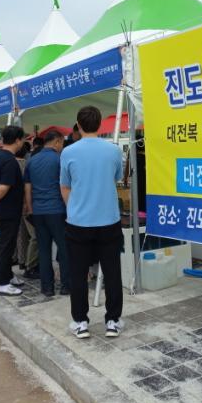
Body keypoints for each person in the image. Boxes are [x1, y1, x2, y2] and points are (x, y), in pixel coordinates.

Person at [60, 106, 124, 339]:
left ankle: (80, 322)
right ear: (100, 124)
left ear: (78, 125)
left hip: (78, 222)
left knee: (78, 274)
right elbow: (116, 179)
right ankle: (113, 321)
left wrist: (75, 208)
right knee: (112, 272)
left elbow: (65, 186)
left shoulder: (68, 152)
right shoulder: (114, 150)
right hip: (109, 221)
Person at [24, 130, 70, 297]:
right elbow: (65, 186)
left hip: (38, 211)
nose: (62, 146)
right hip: (57, 210)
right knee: (64, 249)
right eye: (62, 143)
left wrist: (30, 209)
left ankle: (47, 288)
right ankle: (66, 286)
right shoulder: (59, 159)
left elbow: (27, 188)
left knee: (43, 250)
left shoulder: (32, 160)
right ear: (57, 141)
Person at [0, 126, 26, 296]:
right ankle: (2, 283)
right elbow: (3, 187)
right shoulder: (9, 161)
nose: (23, 142)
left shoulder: (0, 157)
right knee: (6, 247)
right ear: (17, 140)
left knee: (8, 244)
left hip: (4, 210)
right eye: (22, 139)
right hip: (7, 211)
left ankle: (8, 275)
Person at [15, 145, 39, 279]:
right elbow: (27, 187)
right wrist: (28, 205)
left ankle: (22, 261)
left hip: (18, 205)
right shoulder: (27, 165)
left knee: (22, 235)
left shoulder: (13, 163)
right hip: (27, 205)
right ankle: (30, 266)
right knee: (35, 236)